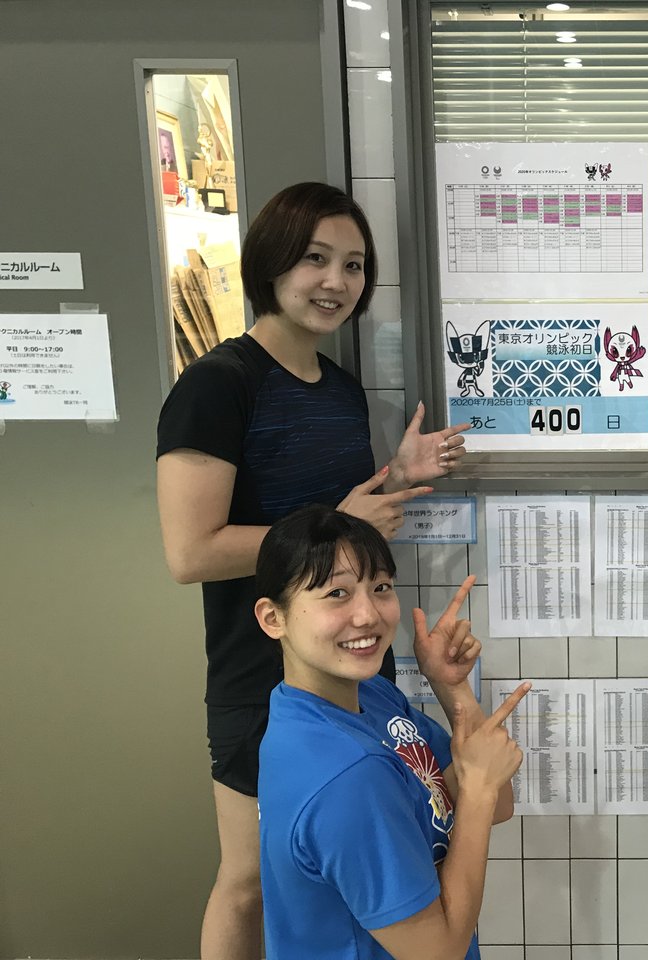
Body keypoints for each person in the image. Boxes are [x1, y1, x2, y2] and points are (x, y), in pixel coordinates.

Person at [156, 181, 472, 960]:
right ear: (272, 264)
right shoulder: (217, 385)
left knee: (372, 867)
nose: (336, 281)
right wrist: (348, 515)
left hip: (356, 669)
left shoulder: (338, 388)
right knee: (249, 881)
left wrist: (396, 476)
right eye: (315, 259)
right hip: (262, 672)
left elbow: (333, 528)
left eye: (354, 265)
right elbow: (191, 551)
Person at [253, 504, 529, 959]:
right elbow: (437, 953)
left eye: (380, 587)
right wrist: (480, 789)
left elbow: (492, 803)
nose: (368, 615)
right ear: (273, 618)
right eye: (337, 593)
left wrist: (451, 686)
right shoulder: (346, 774)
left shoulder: (361, 698)